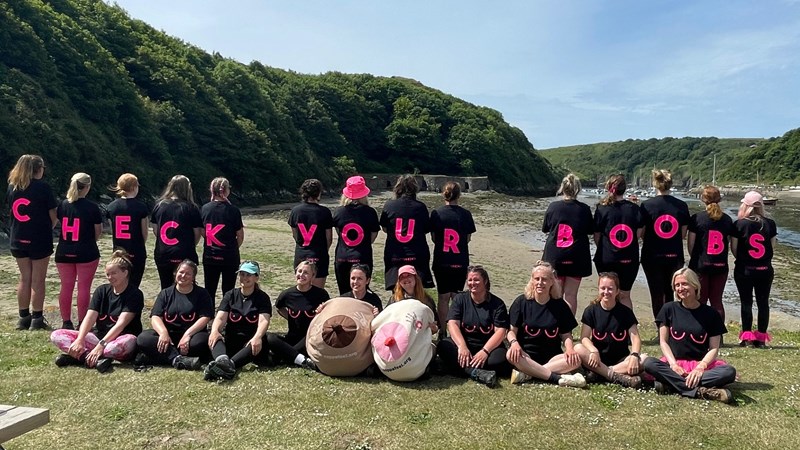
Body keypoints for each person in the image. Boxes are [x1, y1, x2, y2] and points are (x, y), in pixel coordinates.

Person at [643, 268, 737, 403]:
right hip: (674, 365)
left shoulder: (711, 314)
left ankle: (671, 384)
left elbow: (714, 348)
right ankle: (700, 391)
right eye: (677, 285)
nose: (680, 288)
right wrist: (673, 365)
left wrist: (700, 367)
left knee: (729, 372)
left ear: (695, 285)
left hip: (701, 365)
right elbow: (663, 342)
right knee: (649, 363)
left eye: (684, 284)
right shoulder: (668, 309)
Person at [50, 250, 143, 373]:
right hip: (98, 338)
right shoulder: (101, 291)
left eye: (114, 273)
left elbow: (120, 325)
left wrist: (101, 346)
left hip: (120, 339)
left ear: (125, 272)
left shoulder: (135, 294)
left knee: (118, 345)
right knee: (56, 335)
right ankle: (90, 358)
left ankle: (80, 357)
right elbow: (89, 317)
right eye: (108, 274)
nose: (110, 277)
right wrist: (80, 339)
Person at [506, 262, 586, 388]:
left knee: (576, 360)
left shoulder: (560, 305)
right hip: (526, 356)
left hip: (552, 357)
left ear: (551, 282)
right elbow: (511, 331)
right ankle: (556, 378)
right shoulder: (521, 302)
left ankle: (530, 374)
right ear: (532, 281)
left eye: (544, 279)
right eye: (536, 279)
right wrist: (514, 343)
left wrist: (570, 349)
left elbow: (566, 335)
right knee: (510, 355)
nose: (540, 283)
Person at [6, 154, 57, 330]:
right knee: (38, 280)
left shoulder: (13, 187)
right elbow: (53, 216)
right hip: (39, 238)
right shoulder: (43, 187)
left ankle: (23, 317)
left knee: (24, 278)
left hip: (17, 237)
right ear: (38, 169)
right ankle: (37, 318)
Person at [436, 266, 508, 387]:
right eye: (470, 280)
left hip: (487, 346)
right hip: (464, 344)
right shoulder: (460, 299)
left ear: (485, 281)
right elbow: (452, 323)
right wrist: (462, 346)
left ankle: (456, 368)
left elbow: (501, 331)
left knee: (499, 360)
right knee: (444, 346)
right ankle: (476, 372)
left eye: (476, 280)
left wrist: (485, 351)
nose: (472, 283)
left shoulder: (497, 304)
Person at [135, 260, 213, 370]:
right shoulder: (165, 293)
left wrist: (187, 335)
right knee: (143, 338)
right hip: (168, 337)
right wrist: (163, 333)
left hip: (191, 336)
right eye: (181, 272)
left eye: (188, 273)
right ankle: (178, 359)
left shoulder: (202, 293)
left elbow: (205, 317)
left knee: (200, 342)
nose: (183, 276)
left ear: (193, 277)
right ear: (175, 273)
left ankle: (163, 357)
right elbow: (155, 316)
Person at [574, 272, 644, 388]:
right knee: (578, 348)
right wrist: (593, 350)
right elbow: (584, 337)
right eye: (603, 288)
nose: (606, 292)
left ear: (617, 291)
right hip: (597, 359)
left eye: (610, 289)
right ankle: (616, 376)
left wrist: (634, 355)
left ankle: (601, 374)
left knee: (643, 360)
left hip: (620, 360)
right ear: (598, 289)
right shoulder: (591, 311)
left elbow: (635, 338)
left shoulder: (626, 312)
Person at [205, 261, 271, 380]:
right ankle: (223, 362)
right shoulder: (230, 295)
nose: (244, 277)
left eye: (249, 275)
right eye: (242, 274)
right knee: (215, 336)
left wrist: (257, 337)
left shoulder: (262, 297)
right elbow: (220, 317)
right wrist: (215, 331)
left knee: (258, 341)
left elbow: (264, 321)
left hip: (250, 343)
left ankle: (226, 367)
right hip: (231, 339)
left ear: (256, 278)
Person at [640, 170, 690, 320]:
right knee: (672, 292)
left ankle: (661, 325)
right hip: (674, 255)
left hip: (652, 255)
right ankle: (672, 322)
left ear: (655, 183)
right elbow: (683, 234)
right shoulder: (681, 205)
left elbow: (642, 233)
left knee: (656, 293)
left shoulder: (646, 205)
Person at [55, 173, 102, 330]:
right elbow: (98, 231)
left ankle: (66, 321)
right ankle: (82, 322)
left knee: (66, 287)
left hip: (64, 250)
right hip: (86, 251)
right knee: (84, 288)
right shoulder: (92, 207)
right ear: (87, 187)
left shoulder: (63, 205)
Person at [541, 173, 593, 314]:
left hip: (555, 255)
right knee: (571, 295)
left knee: (555, 294)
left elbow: (545, 228)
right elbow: (590, 230)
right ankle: (568, 325)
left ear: (562, 189)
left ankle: (554, 323)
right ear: (578, 189)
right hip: (577, 256)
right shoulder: (584, 209)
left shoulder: (553, 207)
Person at [732, 191, 777, 347]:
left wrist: (743, 259)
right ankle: (761, 338)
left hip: (745, 269)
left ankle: (746, 337)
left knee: (746, 303)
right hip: (765, 269)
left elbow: (734, 248)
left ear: (745, 205)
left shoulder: (739, 224)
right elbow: (772, 246)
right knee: (763, 303)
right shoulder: (770, 223)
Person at [265, 261, 328, 370]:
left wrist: (321, 311)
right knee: (269, 337)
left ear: (313, 276)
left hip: (310, 340)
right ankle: (300, 359)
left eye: (306, 273)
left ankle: (286, 356)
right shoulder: (287, 294)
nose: (301, 275)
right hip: (292, 338)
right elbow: (279, 307)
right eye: (299, 271)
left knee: (304, 341)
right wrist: (291, 317)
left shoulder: (321, 294)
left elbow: (329, 313)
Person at [430, 181, 476, 330]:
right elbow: (467, 238)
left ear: (443, 194)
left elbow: (434, 238)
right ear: (459, 195)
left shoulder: (437, 213)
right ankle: (456, 331)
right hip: (459, 260)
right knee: (457, 297)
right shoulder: (466, 214)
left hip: (442, 260)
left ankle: (443, 331)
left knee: (443, 298)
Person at [593, 174, 643, 311]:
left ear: (609, 187)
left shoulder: (602, 208)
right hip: (629, 258)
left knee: (606, 294)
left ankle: (606, 322)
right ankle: (627, 323)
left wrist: (604, 247)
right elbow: (638, 234)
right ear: (624, 189)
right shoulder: (634, 209)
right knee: (625, 296)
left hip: (607, 257)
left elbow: (597, 235)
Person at [379, 174, 433, 291]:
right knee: (417, 291)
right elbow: (426, 229)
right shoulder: (420, 207)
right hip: (417, 253)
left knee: (396, 290)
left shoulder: (389, 205)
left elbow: (385, 228)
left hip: (395, 253)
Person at [688, 186, 734, 321]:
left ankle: (700, 329)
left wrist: (695, 258)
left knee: (700, 300)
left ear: (703, 199)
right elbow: (729, 242)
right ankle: (718, 331)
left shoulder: (697, 218)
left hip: (700, 264)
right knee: (717, 301)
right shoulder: (727, 219)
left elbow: (691, 244)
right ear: (719, 199)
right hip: (720, 265)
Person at [151, 175, 202, 290]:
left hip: (163, 252)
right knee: (186, 287)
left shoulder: (159, 205)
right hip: (184, 252)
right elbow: (197, 233)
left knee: (165, 287)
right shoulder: (191, 208)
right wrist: (190, 244)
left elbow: (155, 230)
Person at [332, 175, 380, 294]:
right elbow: (373, 235)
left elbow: (339, 232)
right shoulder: (370, 212)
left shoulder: (339, 211)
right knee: (362, 293)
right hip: (362, 256)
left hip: (342, 257)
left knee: (344, 293)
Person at [201, 177, 244, 302]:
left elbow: (203, 231)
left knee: (209, 288)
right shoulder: (233, 210)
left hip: (210, 254)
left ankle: (209, 313)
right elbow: (240, 236)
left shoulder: (204, 208)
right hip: (229, 255)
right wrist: (233, 247)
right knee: (228, 290)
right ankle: (226, 311)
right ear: (226, 191)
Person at [105, 173, 149, 289]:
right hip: (136, 250)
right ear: (134, 187)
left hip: (118, 251)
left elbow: (112, 230)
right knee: (134, 285)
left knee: (118, 285)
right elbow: (144, 233)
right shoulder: (141, 207)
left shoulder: (112, 207)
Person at [288, 179, 333, 289]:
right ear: (319, 193)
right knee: (318, 292)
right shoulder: (325, 212)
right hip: (319, 254)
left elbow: (295, 235)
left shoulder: (295, 211)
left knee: (302, 289)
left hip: (301, 253)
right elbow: (329, 238)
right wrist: (324, 250)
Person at [388, 265, 438, 334]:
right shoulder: (394, 299)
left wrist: (434, 328)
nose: (406, 279)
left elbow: (435, 326)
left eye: (409, 275)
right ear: (399, 282)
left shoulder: (427, 299)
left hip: (420, 336)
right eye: (402, 277)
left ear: (415, 278)